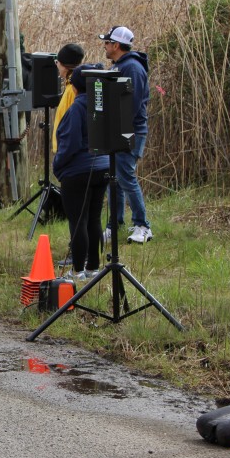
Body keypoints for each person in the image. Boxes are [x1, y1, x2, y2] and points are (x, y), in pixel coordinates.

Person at [53, 64, 110, 281]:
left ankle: (78, 270)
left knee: (77, 221)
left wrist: (58, 166)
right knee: (94, 219)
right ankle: (93, 267)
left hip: (78, 171)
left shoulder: (76, 108)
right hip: (103, 168)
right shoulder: (103, 105)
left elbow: (70, 143)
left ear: (75, 87)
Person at [100, 25, 152, 244]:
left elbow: (132, 103)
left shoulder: (132, 68)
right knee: (114, 178)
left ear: (116, 45)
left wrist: (116, 124)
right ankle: (115, 224)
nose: (104, 46)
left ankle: (143, 226)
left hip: (130, 131)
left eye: (107, 42)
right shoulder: (119, 66)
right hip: (117, 129)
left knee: (126, 177)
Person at [52, 43, 84, 154]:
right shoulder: (71, 86)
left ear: (63, 65)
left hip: (66, 152)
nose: (56, 66)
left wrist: (62, 154)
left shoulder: (72, 90)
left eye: (57, 62)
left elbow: (72, 126)